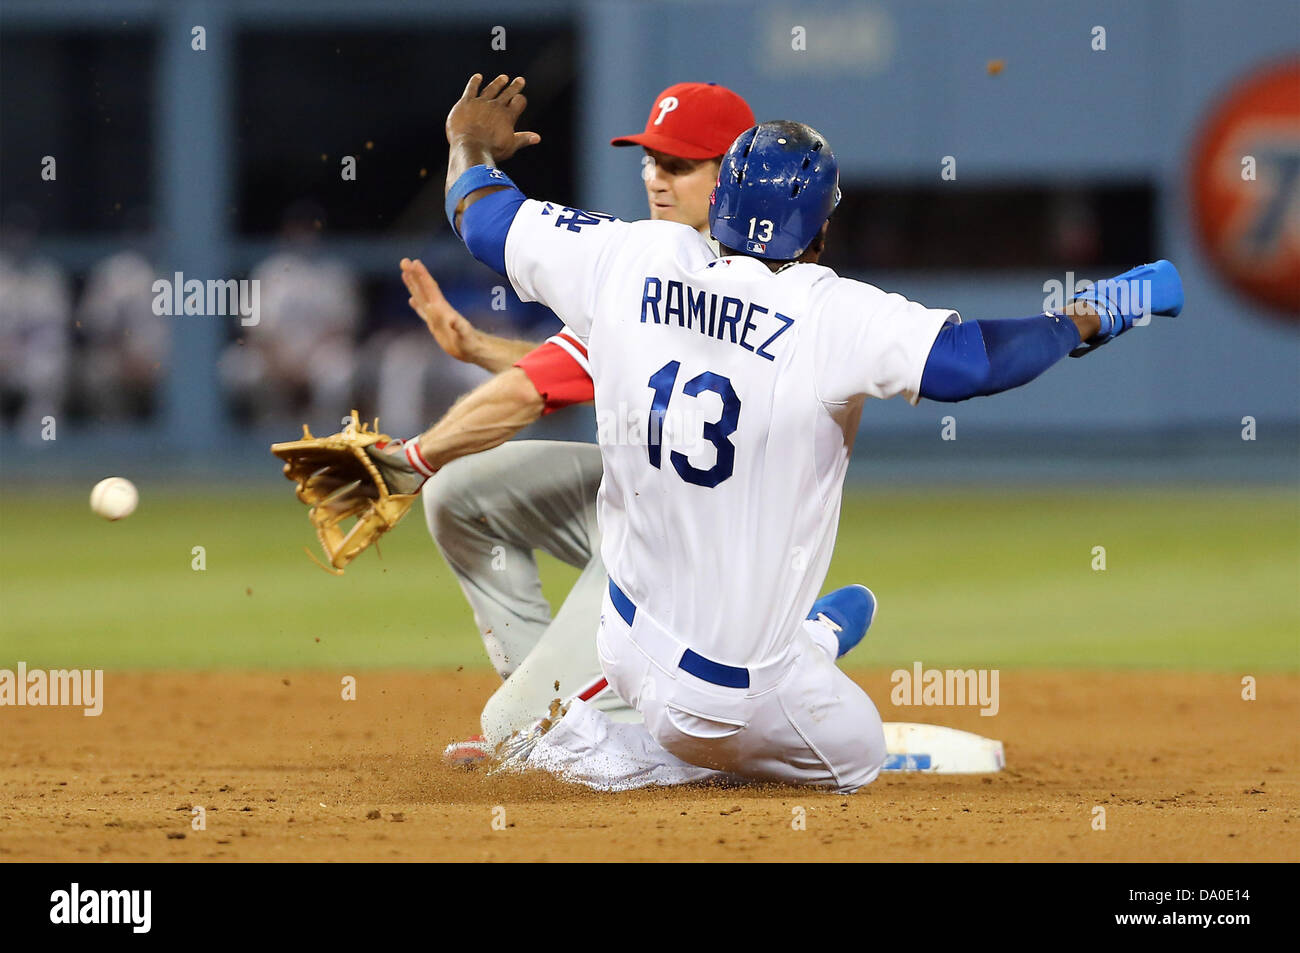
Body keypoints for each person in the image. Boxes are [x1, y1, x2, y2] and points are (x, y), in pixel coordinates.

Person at [420, 73, 1182, 792]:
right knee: (856, 756)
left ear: (721, 195)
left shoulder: (630, 254)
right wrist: (1096, 311)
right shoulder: (830, 311)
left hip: (619, 640)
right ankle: (664, 738)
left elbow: (482, 218)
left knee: (698, 634)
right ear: (821, 222)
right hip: (717, 697)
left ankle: (792, 652)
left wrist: (470, 142)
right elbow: (975, 360)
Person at [399, 82, 765, 759]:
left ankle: (608, 722)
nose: (657, 178)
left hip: (700, 566)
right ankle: (573, 705)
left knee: (514, 732)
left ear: (732, 174)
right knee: (463, 494)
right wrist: (480, 348)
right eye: (650, 160)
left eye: (679, 164)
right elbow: (595, 366)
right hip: (651, 516)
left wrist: (408, 459)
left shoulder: (709, 278)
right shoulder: (676, 262)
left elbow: (531, 392)